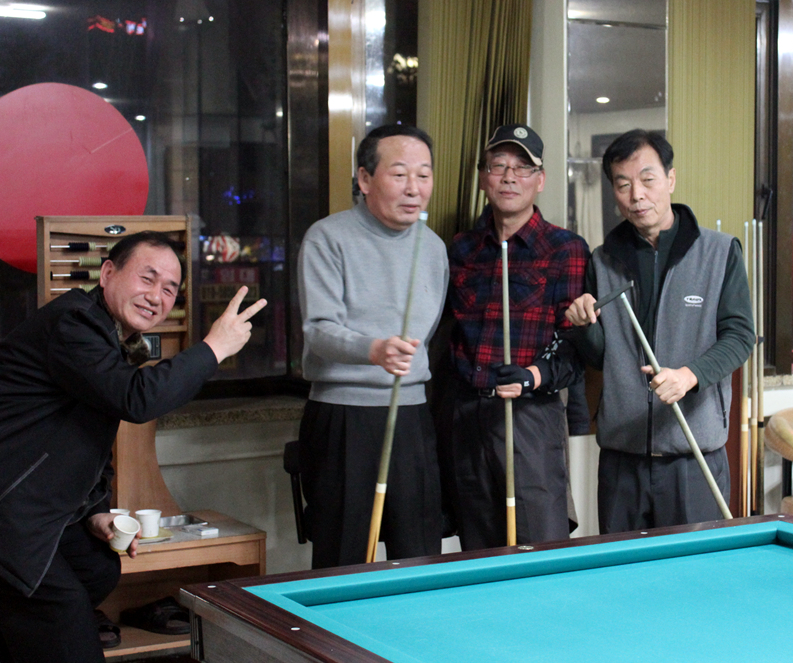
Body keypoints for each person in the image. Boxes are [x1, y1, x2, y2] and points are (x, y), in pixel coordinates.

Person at [0, 231, 266, 663]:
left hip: (23, 502)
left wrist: (95, 511)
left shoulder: (105, 335)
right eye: (147, 278)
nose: (157, 295)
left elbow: (76, 434)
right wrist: (213, 348)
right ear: (107, 274)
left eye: (169, 288)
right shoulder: (74, 322)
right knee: (71, 646)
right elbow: (134, 399)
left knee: (96, 567)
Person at [566, 129, 755, 534]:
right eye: (623, 184)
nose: (637, 195)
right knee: (623, 569)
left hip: (693, 454)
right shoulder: (602, 261)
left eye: (647, 179)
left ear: (670, 179)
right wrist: (582, 328)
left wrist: (689, 376)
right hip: (622, 458)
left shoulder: (719, 252)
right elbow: (600, 357)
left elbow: (740, 337)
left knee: (695, 570)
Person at [297, 124, 447, 568]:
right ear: (364, 179)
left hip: (412, 416)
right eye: (399, 174)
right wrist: (374, 350)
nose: (414, 188)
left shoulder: (433, 247)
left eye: (424, 175)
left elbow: (429, 330)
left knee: (419, 552)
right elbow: (318, 330)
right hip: (344, 416)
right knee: (343, 555)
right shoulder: (327, 238)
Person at [445, 124, 590, 550]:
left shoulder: (566, 248)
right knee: (478, 549)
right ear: (483, 177)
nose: (510, 177)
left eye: (523, 168)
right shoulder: (461, 249)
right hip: (467, 416)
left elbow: (574, 348)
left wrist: (532, 376)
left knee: (537, 546)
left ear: (539, 180)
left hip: (529, 416)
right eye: (499, 166)